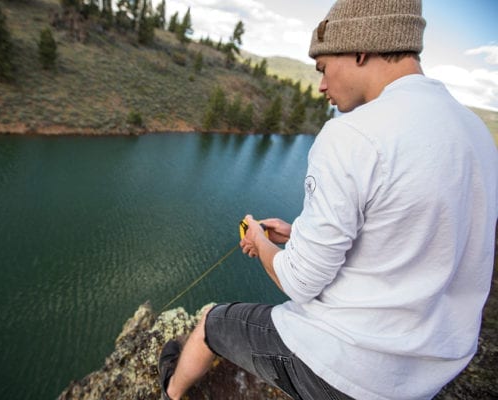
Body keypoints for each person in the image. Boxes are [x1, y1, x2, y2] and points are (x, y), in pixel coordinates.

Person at [158, 0, 498, 399]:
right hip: (429, 374)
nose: (321, 86)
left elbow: (299, 281)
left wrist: (260, 239)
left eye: (322, 68)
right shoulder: (477, 133)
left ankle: (169, 392)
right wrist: (297, 234)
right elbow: (403, 237)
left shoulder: (353, 134)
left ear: (360, 48)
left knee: (213, 322)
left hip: (348, 370)